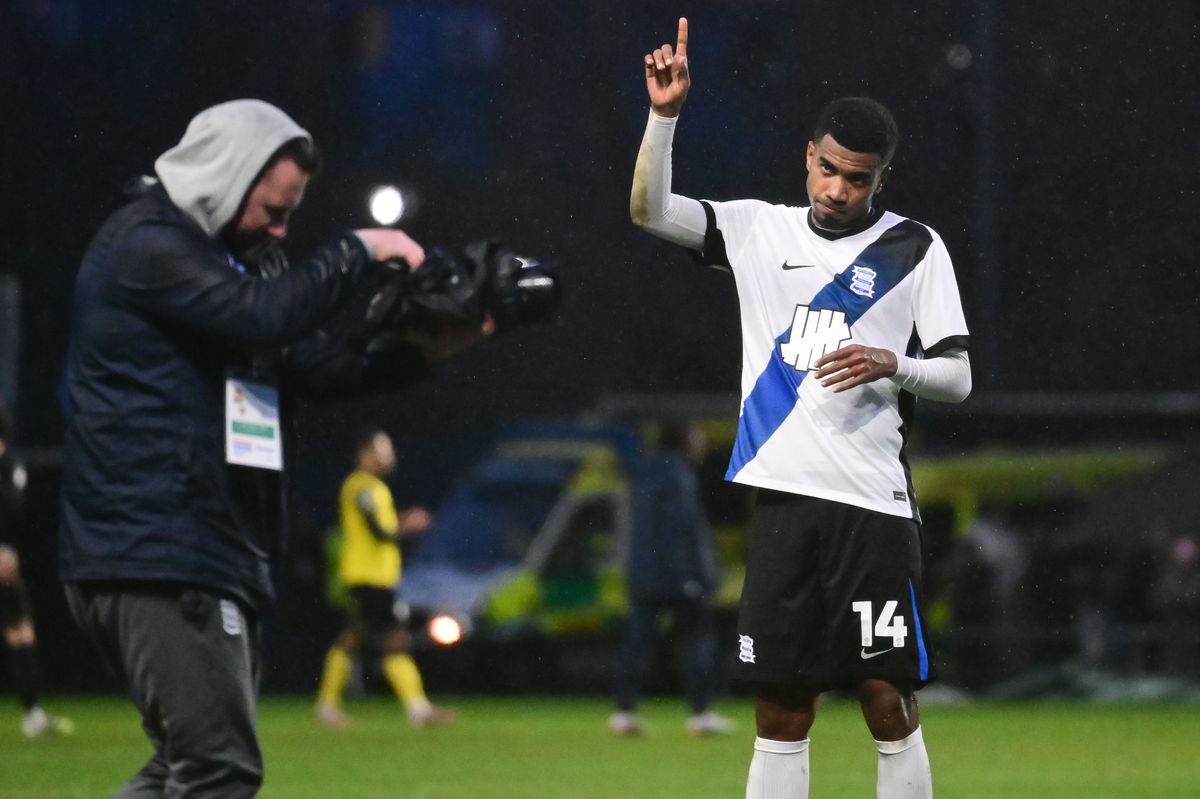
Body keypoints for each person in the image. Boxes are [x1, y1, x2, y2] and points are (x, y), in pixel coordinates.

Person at [59, 99, 466, 798]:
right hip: (158, 546)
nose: (281, 228)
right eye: (273, 210)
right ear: (221, 176)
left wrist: (444, 342)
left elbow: (314, 366)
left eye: (290, 214)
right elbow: (265, 314)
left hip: (193, 548)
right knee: (218, 768)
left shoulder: (229, 261)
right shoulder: (146, 242)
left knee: (185, 765)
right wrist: (359, 249)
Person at [632, 19, 971, 798]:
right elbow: (651, 212)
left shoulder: (915, 247)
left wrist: (897, 362)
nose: (836, 190)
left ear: (880, 179)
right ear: (808, 156)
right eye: (827, 169)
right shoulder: (759, 229)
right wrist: (664, 116)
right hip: (784, 503)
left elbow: (958, 377)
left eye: (857, 179)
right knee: (780, 705)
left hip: (872, 508)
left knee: (886, 700)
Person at [315, 427, 455, 728]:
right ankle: (418, 709)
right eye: (382, 451)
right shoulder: (360, 487)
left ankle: (327, 705)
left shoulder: (375, 488)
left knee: (351, 640)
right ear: (366, 454)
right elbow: (379, 532)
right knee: (394, 639)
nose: (389, 457)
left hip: (375, 577)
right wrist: (409, 525)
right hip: (368, 578)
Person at [610, 418, 732, 737]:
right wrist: (694, 577)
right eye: (695, 436)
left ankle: (623, 712)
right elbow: (683, 532)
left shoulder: (642, 474)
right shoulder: (678, 476)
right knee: (697, 641)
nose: (700, 443)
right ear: (682, 441)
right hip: (679, 578)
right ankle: (701, 713)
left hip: (644, 576)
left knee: (637, 644)